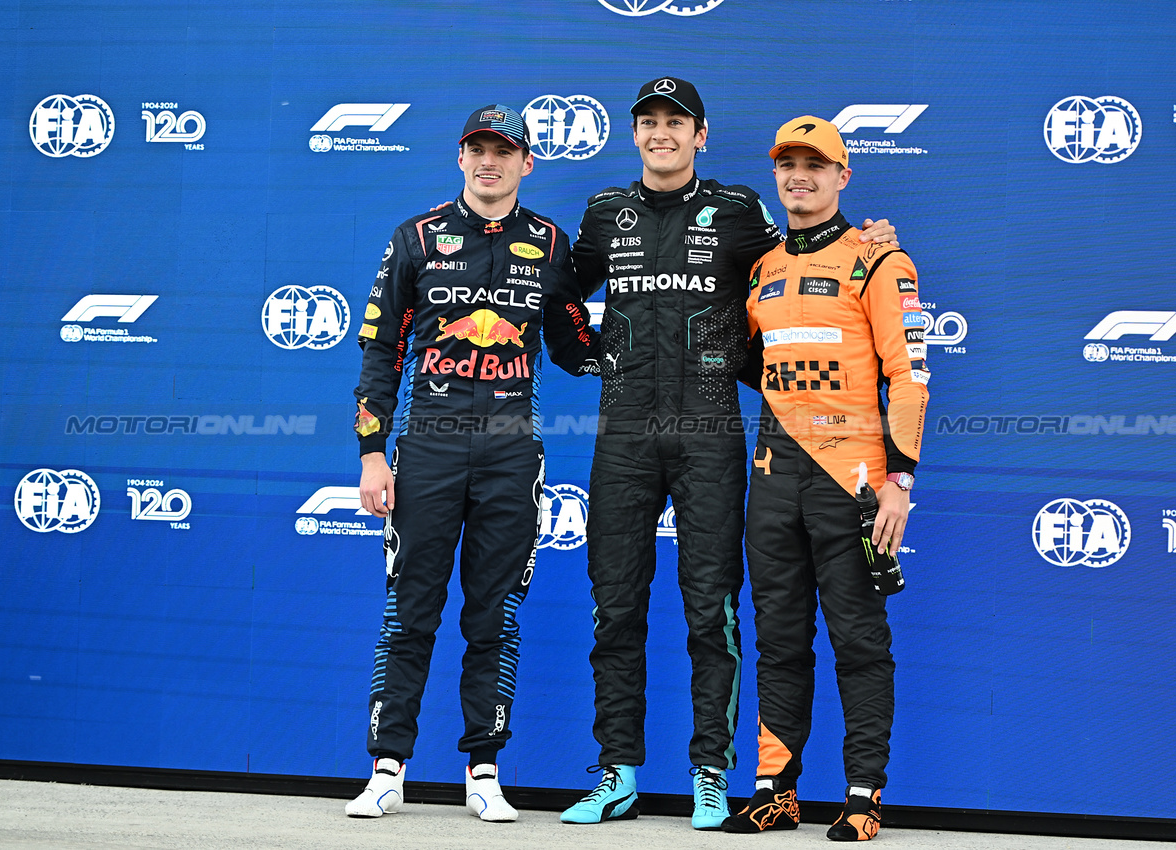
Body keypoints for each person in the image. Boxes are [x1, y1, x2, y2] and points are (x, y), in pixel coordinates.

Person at [560, 78, 898, 830]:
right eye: (647, 122)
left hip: (712, 438)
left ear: (700, 135)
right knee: (614, 607)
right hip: (623, 436)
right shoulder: (604, 213)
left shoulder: (740, 211)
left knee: (710, 610)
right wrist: (594, 359)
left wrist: (868, 244)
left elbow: (793, 275)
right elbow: (559, 297)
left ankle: (709, 772)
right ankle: (617, 772)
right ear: (635, 134)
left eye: (674, 123)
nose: (660, 134)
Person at [345, 104, 599, 822]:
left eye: (503, 150)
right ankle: (386, 767)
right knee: (408, 612)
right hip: (425, 445)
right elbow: (379, 354)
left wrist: (636, 347)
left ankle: (483, 769)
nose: (489, 161)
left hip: (510, 452)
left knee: (495, 616)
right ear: (460, 158)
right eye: (477, 148)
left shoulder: (550, 244)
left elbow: (574, 344)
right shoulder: (416, 237)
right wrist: (371, 455)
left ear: (526, 163)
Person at [720, 116, 928, 842]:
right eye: (787, 165)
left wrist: (899, 480)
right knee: (776, 639)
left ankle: (863, 794)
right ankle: (775, 789)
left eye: (815, 165)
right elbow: (754, 365)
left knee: (858, 642)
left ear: (842, 177)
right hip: (773, 482)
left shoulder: (877, 259)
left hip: (855, 484)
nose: (798, 177)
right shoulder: (762, 268)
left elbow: (907, 377)